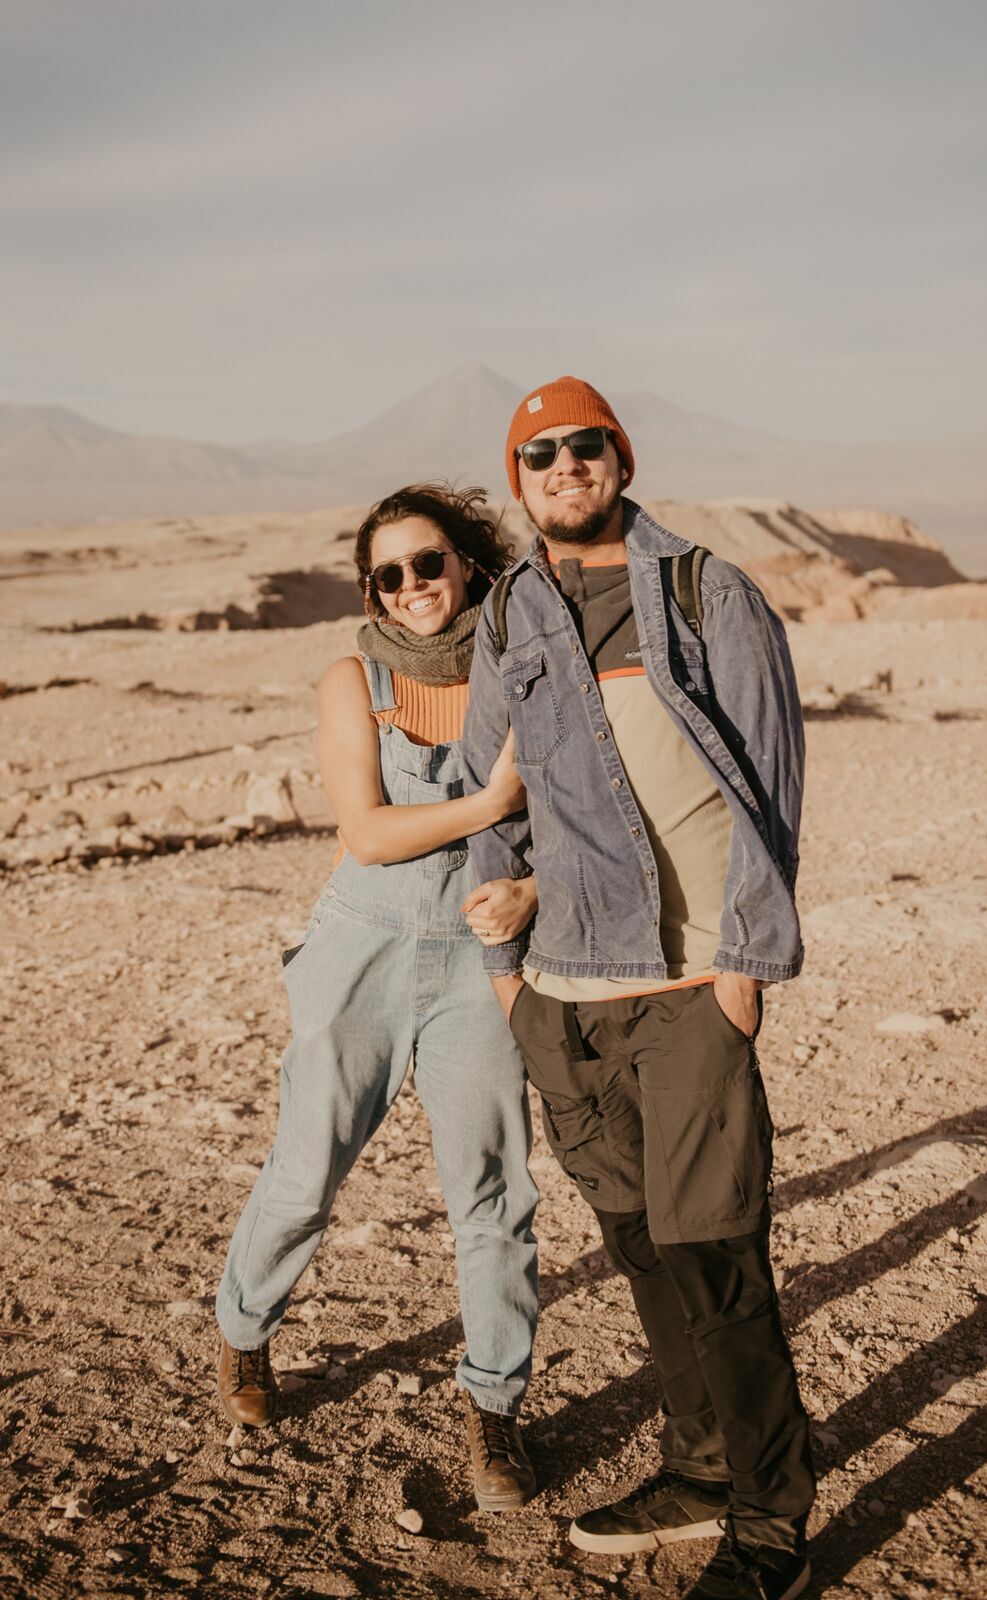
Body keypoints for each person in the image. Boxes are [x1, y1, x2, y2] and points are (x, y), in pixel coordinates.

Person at [461, 379, 816, 1597]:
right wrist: (508, 979)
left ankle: (770, 1527)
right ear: (520, 479)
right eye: (540, 452)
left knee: (715, 1255)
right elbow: (495, 801)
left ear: (621, 456)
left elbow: (773, 785)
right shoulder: (509, 613)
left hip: (690, 981)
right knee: (644, 1247)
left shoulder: (709, 591)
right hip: (563, 995)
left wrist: (746, 966)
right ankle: (701, 1467)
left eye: (586, 444)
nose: (565, 465)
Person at [215, 483, 540, 1513]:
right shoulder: (351, 678)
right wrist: (493, 801)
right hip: (363, 946)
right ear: (372, 590)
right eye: (388, 574)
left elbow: (578, 819)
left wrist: (533, 890)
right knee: (306, 1166)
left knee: (493, 1190)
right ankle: (244, 1333)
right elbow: (365, 831)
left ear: (469, 564)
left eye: (428, 562)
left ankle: (495, 1408)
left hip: (482, 956)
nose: (412, 586)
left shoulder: (525, 669)